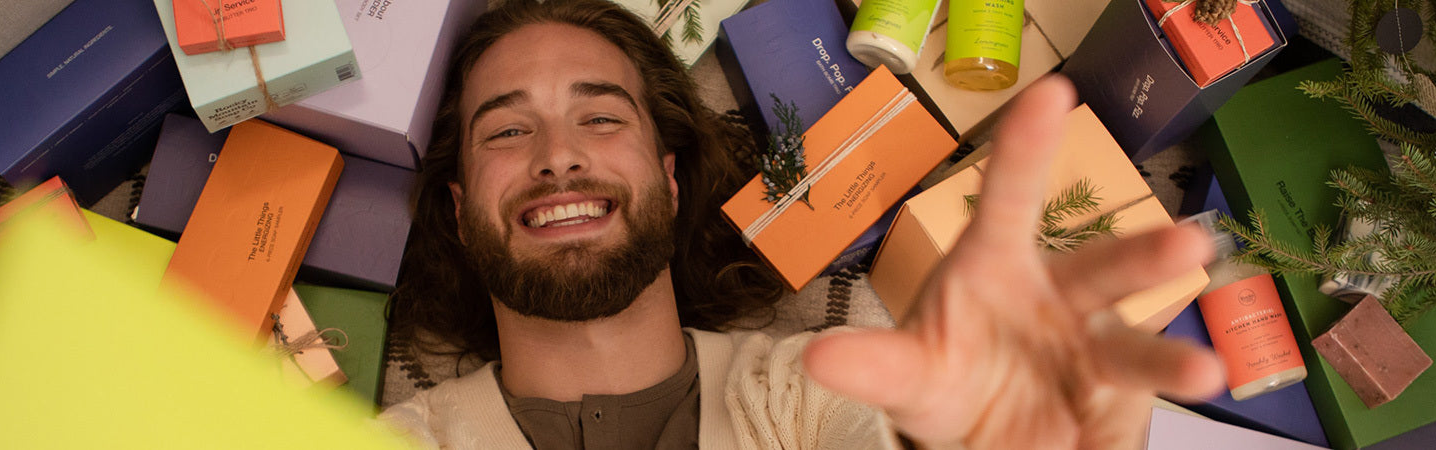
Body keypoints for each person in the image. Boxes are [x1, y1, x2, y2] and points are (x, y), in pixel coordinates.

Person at [379, 1, 1226, 448]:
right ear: (459, 212)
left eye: (600, 118)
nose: (558, 156)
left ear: (669, 182)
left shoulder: (816, 396)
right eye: (507, 131)